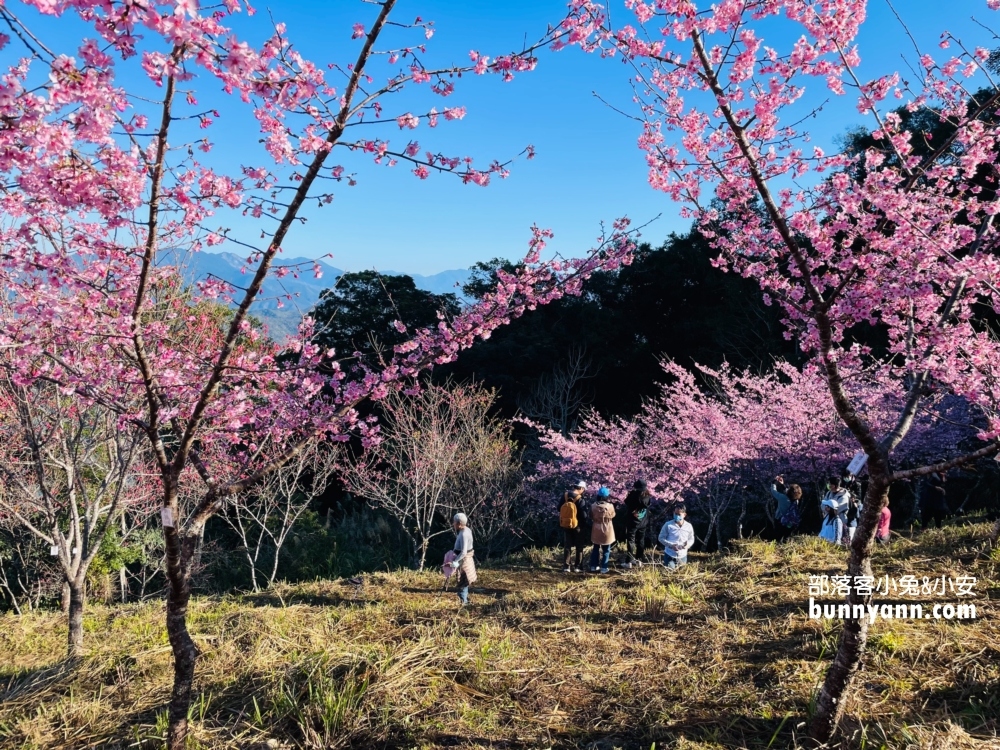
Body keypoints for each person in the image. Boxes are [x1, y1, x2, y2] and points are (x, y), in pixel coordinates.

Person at [447, 512, 476, 606]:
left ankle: (464, 602)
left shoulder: (464, 534)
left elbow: (463, 552)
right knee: (463, 580)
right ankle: (464, 599)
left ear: (459, 523)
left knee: (463, 580)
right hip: (463, 558)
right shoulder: (467, 530)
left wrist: (455, 561)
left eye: (454, 522)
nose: (453, 524)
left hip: (464, 559)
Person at [621, 479, 651, 569]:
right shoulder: (647, 496)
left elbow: (626, 502)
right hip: (643, 521)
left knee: (631, 540)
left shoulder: (633, 495)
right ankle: (639, 560)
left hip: (632, 521)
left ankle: (629, 561)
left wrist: (629, 495)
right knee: (641, 540)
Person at [559, 480, 589, 573]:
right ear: (581, 488)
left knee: (567, 545)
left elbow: (558, 508)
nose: (583, 491)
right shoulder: (580, 499)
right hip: (577, 525)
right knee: (579, 546)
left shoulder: (565, 495)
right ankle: (578, 566)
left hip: (566, 524)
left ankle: (566, 566)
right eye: (583, 489)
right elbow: (583, 515)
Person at [658, 503, 695, 569]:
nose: (677, 516)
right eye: (675, 514)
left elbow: (691, 538)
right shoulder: (668, 525)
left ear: (684, 515)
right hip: (670, 554)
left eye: (679, 514)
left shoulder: (688, 526)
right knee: (670, 572)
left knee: (681, 574)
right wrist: (671, 545)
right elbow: (661, 538)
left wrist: (688, 545)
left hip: (683, 555)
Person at [588, 487, 616, 573]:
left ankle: (594, 566)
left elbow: (590, 516)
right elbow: (613, 515)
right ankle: (604, 567)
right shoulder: (610, 506)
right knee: (606, 549)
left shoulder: (593, 506)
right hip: (607, 529)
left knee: (595, 548)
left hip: (596, 528)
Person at [820, 476, 851, 546]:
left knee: (837, 539)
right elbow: (822, 505)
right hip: (828, 519)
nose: (828, 485)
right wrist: (827, 507)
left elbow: (837, 509)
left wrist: (828, 508)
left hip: (839, 520)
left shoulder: (843, 496)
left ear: (834, 485)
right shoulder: (829, 493)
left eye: (829, 483)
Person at [771, 476, 802, 541]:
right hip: (790, 523)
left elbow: (773, 491)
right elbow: (790, 493)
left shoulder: (783, 498)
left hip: (780, 520)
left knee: (778, 538)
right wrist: (782, 485)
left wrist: (773, 483)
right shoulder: (796, 501)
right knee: (786, 538)